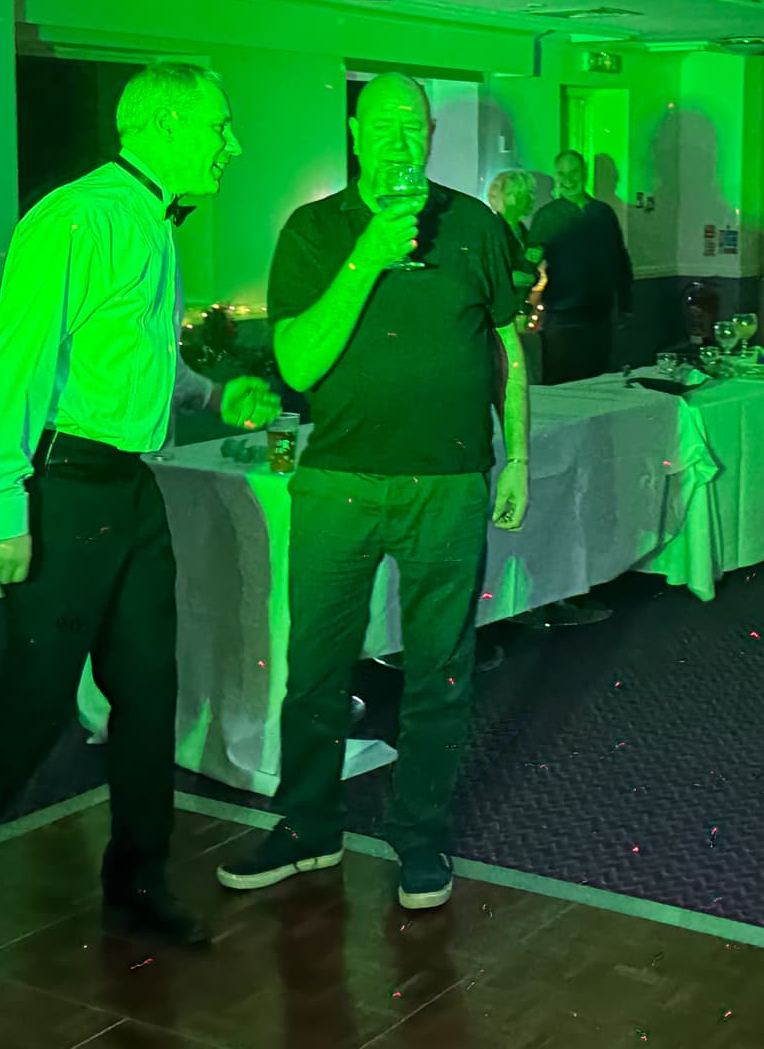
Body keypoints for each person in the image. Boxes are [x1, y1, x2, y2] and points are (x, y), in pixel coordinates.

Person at [0, 62, 279, 986]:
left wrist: (214, 393)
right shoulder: (76, 217)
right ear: (165, 124)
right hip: (65, 491)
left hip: (128, 488)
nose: (232, 143)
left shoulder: (153, 222)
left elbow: (125, 365)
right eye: (219, 125)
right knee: (34, 701)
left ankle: (137, 882)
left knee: (150, 690)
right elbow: (14, 368)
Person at [217, 72, 530, 911]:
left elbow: (507, 346)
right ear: (355, 133)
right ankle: (307, 827)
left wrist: (520, 458)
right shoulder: (316, 230)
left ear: (429, 134)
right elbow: (298, 365)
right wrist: (368, 257)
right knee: (316, 670)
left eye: (414, 125)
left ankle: (421, 838)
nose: (400, 141)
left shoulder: (474, 225)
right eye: (383, 125)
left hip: (448, 485)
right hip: (339, 485)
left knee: (441, 674)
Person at [531, 150, 633, 384]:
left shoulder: (603, 213)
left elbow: (620, 259)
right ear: (556, 176)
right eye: (562, 173)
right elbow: (530, 260)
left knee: (596, 381)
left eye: (574, 172)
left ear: (585, 172)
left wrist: (626, 303)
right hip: (561, 312)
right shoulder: (547, 216)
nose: (568, 179)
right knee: (560, 382)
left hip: (599, 312)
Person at [486, 168, 545, 380]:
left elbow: (532, 275)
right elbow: (492, 275)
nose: (531, 200)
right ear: (511, 197)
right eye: (526, 194)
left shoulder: (522, 230)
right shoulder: (493, 230)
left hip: (523, 315)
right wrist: (525, 276)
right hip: (501, 319)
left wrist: (531, 269)